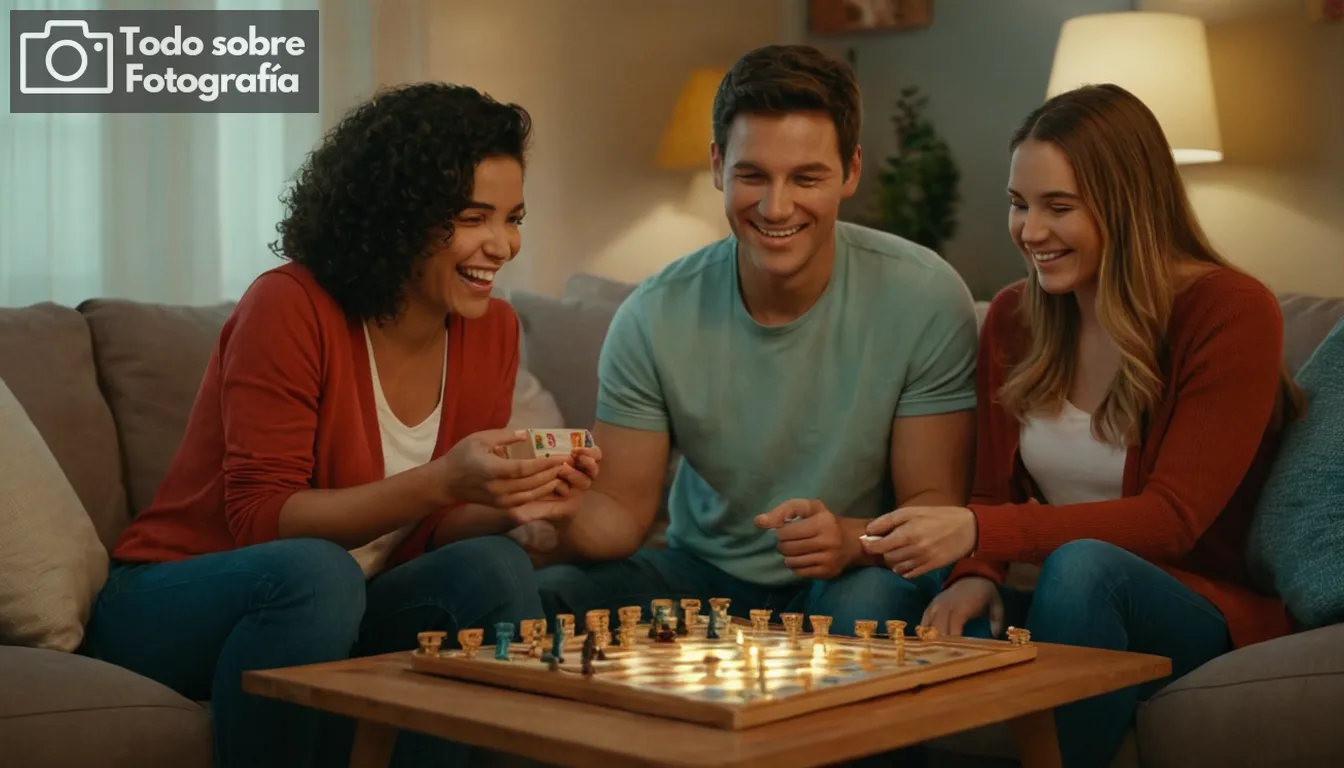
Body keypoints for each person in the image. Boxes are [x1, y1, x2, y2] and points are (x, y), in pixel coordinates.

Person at [81, 83, 600, 768]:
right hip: (178, 598)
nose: (503, 244)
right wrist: (443, 478)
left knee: (492, 566)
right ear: (398, 216)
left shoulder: (491, 330)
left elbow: (433, 532)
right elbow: (264, 522)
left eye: (513, 217)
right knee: (314, 573)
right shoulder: (290, 305)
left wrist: (515, 502)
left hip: (342, 602)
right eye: (476, 217)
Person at [862, 83, 1304, 767]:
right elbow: (989, 494)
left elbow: (1172, 519)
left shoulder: (1230, 310)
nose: (1029, 231)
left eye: (1057, 207)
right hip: (1057, 593)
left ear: (1128, 204)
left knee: (1084, 569)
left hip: (1188, 604)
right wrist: (976, 570)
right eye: (1019, 204)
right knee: (881, 593)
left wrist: (982, 533)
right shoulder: (1014, 315)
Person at [525, 44, 979, 637]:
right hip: (700, 574)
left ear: (852, 171)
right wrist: (558, 512)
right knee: (547, 598)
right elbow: (619, 516)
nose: (776, 205)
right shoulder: (652, 315)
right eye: (752, 175)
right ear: (718, 166)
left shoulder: (925, 296)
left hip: (861, 567)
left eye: (806, 177)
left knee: (863, 612)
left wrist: (848, 537)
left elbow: (931, 506)